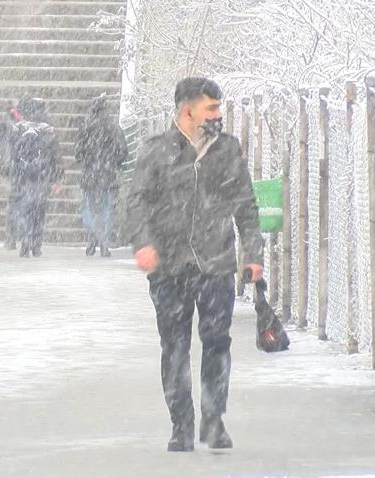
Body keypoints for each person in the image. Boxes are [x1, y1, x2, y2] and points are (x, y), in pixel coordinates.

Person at [125, 77, 264, 452]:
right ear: (188, 111)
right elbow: (137, 202)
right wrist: (144, 244)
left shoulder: (227, 151)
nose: (219, 115)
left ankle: (214, 420)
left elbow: (246, 206)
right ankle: (181, 424)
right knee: (174, 347)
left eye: (220, 108)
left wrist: (252, 254)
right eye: (212, 109)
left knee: (217, 342)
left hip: (215, 264)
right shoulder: (157, 151)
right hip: (169, 268)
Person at [75, 95, 128, 257]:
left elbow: (78, 153)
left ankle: (92, 237)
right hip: (108, 174)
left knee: (88, 207)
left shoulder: (85, 128)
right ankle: (104, 241)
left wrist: (88, 160)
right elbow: (123, 152)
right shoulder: (114, 128)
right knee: (107, 208)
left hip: (90, 174)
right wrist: (113, 163)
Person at [10, 97, 63, 258]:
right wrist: (57, 178)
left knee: (25, 210)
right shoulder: (48, 131)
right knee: (39, 212)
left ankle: (25, 239)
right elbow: (55, 157)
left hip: (23, 176)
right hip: (42, 176)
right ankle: (36, 243)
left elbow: (12, 154)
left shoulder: (18, 129)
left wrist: (11, 173)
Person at [0, 101, 23, 250]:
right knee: (20, 203)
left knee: (14, 203)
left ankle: (11, 236)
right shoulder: (22, 122)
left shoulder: (6, 124)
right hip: (20, 168)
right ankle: (21, 235)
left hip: (11, 168)